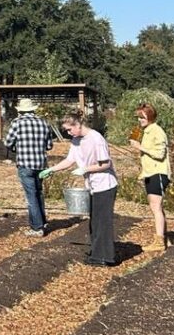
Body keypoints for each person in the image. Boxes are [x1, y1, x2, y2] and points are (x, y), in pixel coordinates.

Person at [40, 111, 118, 266]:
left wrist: (85, 169)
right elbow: (70, 160)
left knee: (102, 222)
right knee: (94, 222)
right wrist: (52, 170)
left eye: (70, 129)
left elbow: (105, 164)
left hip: (105, 184)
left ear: (78, 124)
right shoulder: (76, 140)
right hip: (93, 185)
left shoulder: (96, 139)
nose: (68, 133)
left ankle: (105, 258)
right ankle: (97, 253)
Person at [4, 98, 54, 236]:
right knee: (39, 193)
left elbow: (7, 143)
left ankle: (37, 227)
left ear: (20, 111)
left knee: (31, 196)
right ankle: (42, 221)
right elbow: (49, 146)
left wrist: (17, 147)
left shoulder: (17, 123)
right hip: (41, 164)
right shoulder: (44, 123)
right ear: (33, 109)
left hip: (25, 163)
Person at [129, 103, 172, 251]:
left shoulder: (157, 131)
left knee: (155, 207)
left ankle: (159, 242)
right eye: (138, 117)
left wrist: (139, 147)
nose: (139, 120)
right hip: (149, 173)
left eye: (142, 117)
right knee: (157, 207)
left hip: (157, 172)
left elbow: (160, 154)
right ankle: (165, 239)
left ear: (150, 117)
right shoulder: (146, 131)